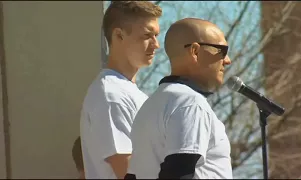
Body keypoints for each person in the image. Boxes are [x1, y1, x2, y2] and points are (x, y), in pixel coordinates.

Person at [125, 18, 233, 179]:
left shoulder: (150, 105)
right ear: (195, 52)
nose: (227, 60)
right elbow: (179, 172)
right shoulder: (190, 103)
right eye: (221, 51)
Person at [80, 1, 162, 179]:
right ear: (119, 35)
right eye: (147, 35)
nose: (156, 44)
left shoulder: (128, 92)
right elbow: (128, 171)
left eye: (156, 35)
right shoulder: (110, 94)